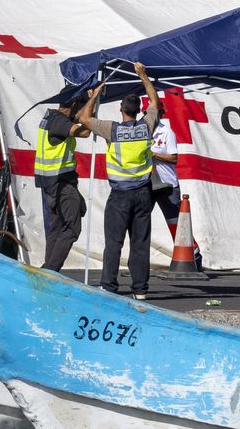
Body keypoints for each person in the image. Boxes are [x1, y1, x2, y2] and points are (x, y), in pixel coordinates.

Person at [79, 62, 159, 300]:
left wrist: (94, 96)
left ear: (121, 109)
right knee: (140, 243)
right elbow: (155, 102)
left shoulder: (112, 130)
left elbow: (84, 118)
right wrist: (143, 75)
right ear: (139, 110)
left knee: (114, 242)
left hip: (120, 195)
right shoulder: (147, 126)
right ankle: (140, 290)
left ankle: (109, 286)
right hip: (144, 193)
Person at [34, 88, 92, 271]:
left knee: (57, 227)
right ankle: (51, 270)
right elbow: (85, 132)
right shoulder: (59, 122)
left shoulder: (52, 117)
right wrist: (93, 100)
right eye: (81, 105)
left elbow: (80, 118)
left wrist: (92, 101)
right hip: (60, 183)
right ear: (74, 104)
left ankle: (48, 269)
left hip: (50, 183)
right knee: (72, 227)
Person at [149, 101, 203, 270]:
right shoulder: (142, 130)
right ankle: (138, 263)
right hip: (148, 183)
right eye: (147, 111)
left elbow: (174, 158)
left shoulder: (167, 132)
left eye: (154, 111)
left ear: (160, 114)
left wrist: (153, 154)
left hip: (167, 184)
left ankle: (194, 254)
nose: (149, 114)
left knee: (175, 224)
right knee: (139, 221)